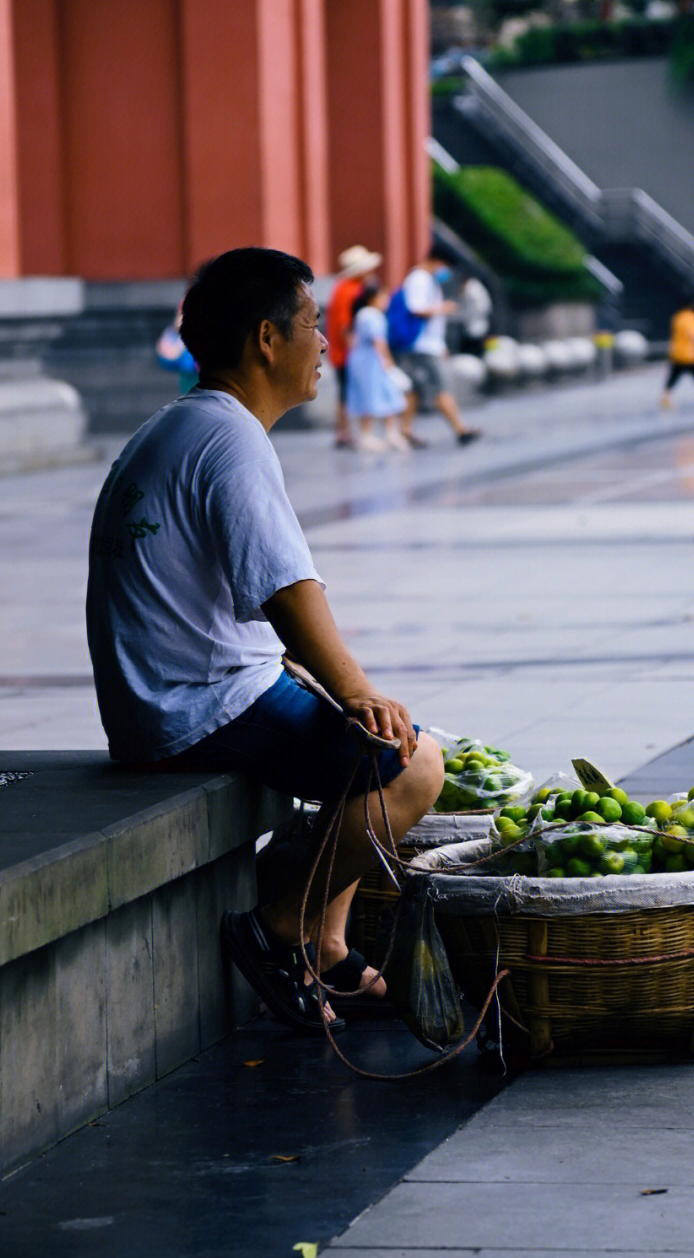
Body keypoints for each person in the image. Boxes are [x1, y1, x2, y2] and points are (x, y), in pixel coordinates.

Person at [86, 247, 443, 1032]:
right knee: (411, 763)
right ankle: (281, 925)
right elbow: (287, 589)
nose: (325, 344)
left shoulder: (179, 426)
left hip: (164, 703)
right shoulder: (233, 442)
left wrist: (339, 690)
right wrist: (355, 687)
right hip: (195, 712)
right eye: (313, 325)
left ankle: (328, 939)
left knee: (358, 734)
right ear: (266, 339)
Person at [393, 250, 482, 447]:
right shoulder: (420, 278)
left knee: (415, 389)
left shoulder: (426, 279)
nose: (446, 271)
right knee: (440, 386)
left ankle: (405, 431)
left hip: (426, 345)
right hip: (420, 345)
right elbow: (416, 308)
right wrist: (444, 307)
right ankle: (460, 429)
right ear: (438, 261)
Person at [325, 245, 382, 449]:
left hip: (342, 353)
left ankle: (344, 431)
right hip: (347, 353)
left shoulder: (341, 287)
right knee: (351, 393)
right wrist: (355, 351)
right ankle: (346, 432)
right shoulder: (350, 290)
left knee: (345, 393)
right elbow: (344, 325)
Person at [344, 280, 411, 451]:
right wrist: (387, 360)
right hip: (370, 362)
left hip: (366, 361)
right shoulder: (372, 315)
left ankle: (388, 432)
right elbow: (378, 341)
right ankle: (370, 434)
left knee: (383, 394)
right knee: (373, 395)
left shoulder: (364, 314)